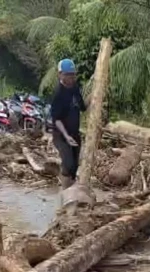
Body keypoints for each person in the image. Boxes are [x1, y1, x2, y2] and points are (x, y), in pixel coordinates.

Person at [48, 58, 88, 189]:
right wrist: (66, 136)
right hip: (60, 135)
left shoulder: (75, 88)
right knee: (68, 163)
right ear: (60, 75)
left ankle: (72, 192)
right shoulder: (58, 94)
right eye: (67, 75)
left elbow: (83, 107)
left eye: (73, 75)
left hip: (75, 133)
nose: (71, 78)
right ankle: (65, 193)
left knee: (75, 166)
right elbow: (57, 119)